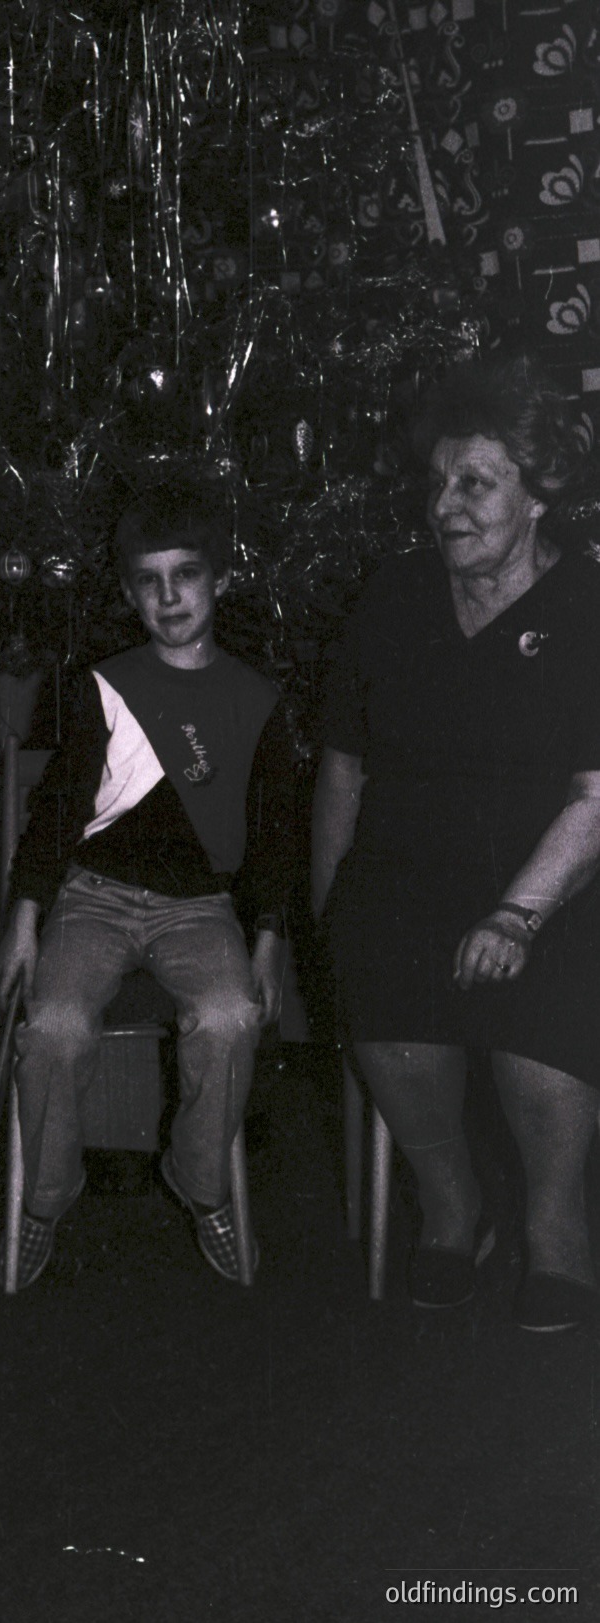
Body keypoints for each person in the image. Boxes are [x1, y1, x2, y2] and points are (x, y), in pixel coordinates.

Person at [312, 355, 600, 1332]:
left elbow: (597, 796)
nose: (447, 505)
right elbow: (343, 769)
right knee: (379, 981)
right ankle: (453, 1208)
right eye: (438, 482)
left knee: (540, 1040)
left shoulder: (588, 610)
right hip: (411, 871)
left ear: (540, 492)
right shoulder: (394, 599)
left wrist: (520, 912)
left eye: (475, 482)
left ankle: (558, 1235)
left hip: (561, 878)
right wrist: (327, 914)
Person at [0, 484, 295, 1289]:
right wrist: (25, 916)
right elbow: (56, 812)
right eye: (149, 581)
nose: (168, 597)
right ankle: (46, 1200)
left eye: (185, 575)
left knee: (229, 1016)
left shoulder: (255, 698)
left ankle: (199, 1183)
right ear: (128, 593)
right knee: (53, 1024)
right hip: (94, 894)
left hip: (199, 906)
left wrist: (268, 933)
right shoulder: (102, 687)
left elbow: (271, 829)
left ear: (217, 580)